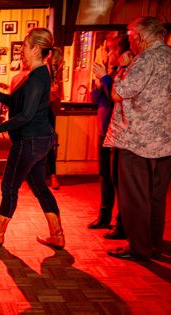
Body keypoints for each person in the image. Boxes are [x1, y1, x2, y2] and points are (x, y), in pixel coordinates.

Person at [0, 28, 65, 250]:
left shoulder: (36, 77)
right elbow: (17, 103)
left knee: (9, 186)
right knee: (40, 186)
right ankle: (57, 235)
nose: (21, 50)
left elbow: (26, 115)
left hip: (30, 142)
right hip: (40, 140)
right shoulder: (38, 74)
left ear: (35, 48)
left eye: (24, 45)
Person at [105, 16, 171, 261]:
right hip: (165, 140)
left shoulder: (144, 60)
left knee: (135, 197)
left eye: (130, 35)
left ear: (141, 36)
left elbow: (117, 94)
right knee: (156, 197)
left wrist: (120, 70)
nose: (129, 41)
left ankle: (139, 248)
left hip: (137, 139)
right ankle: (152, 244)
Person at [88, 35, 132, 241]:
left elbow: (116, 99)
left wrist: (105, 79)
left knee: (118, 179)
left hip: (116, 134)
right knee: (105, 176)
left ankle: (122, 223)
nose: (108, 54)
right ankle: (104, 217)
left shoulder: (125, 74)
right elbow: (98, 100)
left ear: (123, 52)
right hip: (103, 130)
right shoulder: (113, 74)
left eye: (111, 49)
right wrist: (97, 84)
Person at [46, 47, 63, 190]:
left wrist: (54, 95)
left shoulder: (55, 76)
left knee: (49, 146)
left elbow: (57, 98)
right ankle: (51, 176)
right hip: (44, 113)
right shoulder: (47, 72)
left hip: (48, 113)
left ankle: (52, 176)